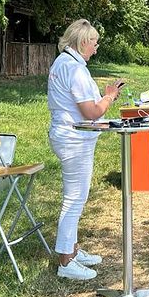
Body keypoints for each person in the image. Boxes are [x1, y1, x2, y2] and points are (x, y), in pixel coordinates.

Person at [47, 18, 123, 280]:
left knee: (76, 197)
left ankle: (73, 250)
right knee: (74, 199)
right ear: (82, 43)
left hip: (69, 134)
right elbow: (90, 110)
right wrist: (110, 96)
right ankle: (66, 262)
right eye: (94, 42)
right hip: (74, 139)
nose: (96, 47)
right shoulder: (75, 69)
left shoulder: (63, 63)